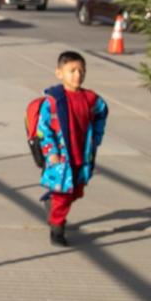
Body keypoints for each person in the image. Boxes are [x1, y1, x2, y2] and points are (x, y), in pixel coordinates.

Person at [36, 51, 108, 246]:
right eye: (72, 71)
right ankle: (57, 229)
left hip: (82, 156)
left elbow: (102, 112)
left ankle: (51, 203)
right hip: (60, 158)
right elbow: (43, 128)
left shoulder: (91, 99)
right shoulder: (53, 101)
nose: (77, 75)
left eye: (81, 71)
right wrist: (51, 152)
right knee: (64, 196)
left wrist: (97, 137)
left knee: (75, 192)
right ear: (59, 73)